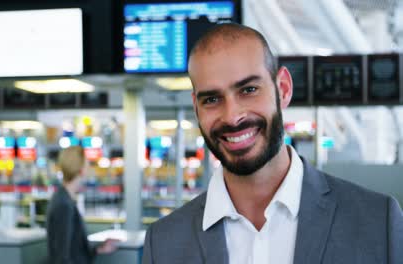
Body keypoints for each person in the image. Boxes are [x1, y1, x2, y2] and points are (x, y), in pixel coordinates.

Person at [142, 23, 403, 264]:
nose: (233, 117)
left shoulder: (378, 222)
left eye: (248, 90)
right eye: (211, 99)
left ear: (284, 89)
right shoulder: (164, 243)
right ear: (196, 108)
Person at [47, 146, 118, 264]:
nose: (88, 168)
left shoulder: (64, 199)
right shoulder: (63, 205)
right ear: (80, 169)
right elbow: (62, 258)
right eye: (86, 164)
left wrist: (98, 249)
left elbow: (73, 250)